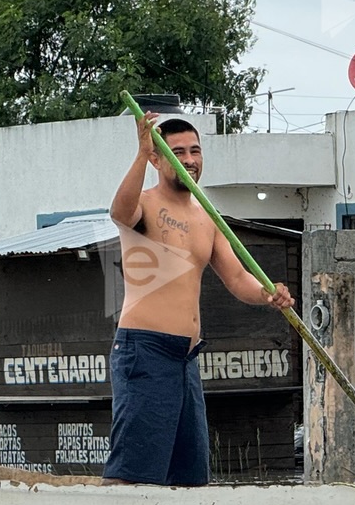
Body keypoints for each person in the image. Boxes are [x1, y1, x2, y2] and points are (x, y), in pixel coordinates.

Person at [102, 112, 294, 486]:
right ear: (159, 160)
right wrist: (141, 153)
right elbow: (119, 213)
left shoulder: (207, 218)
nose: (189, 160)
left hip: (185, 358)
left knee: (189, 476)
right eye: (178, 152)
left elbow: (239, 279)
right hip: (144, 349)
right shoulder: (145, 204)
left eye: (195, 151)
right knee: (134, 472)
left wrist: (269, 294)